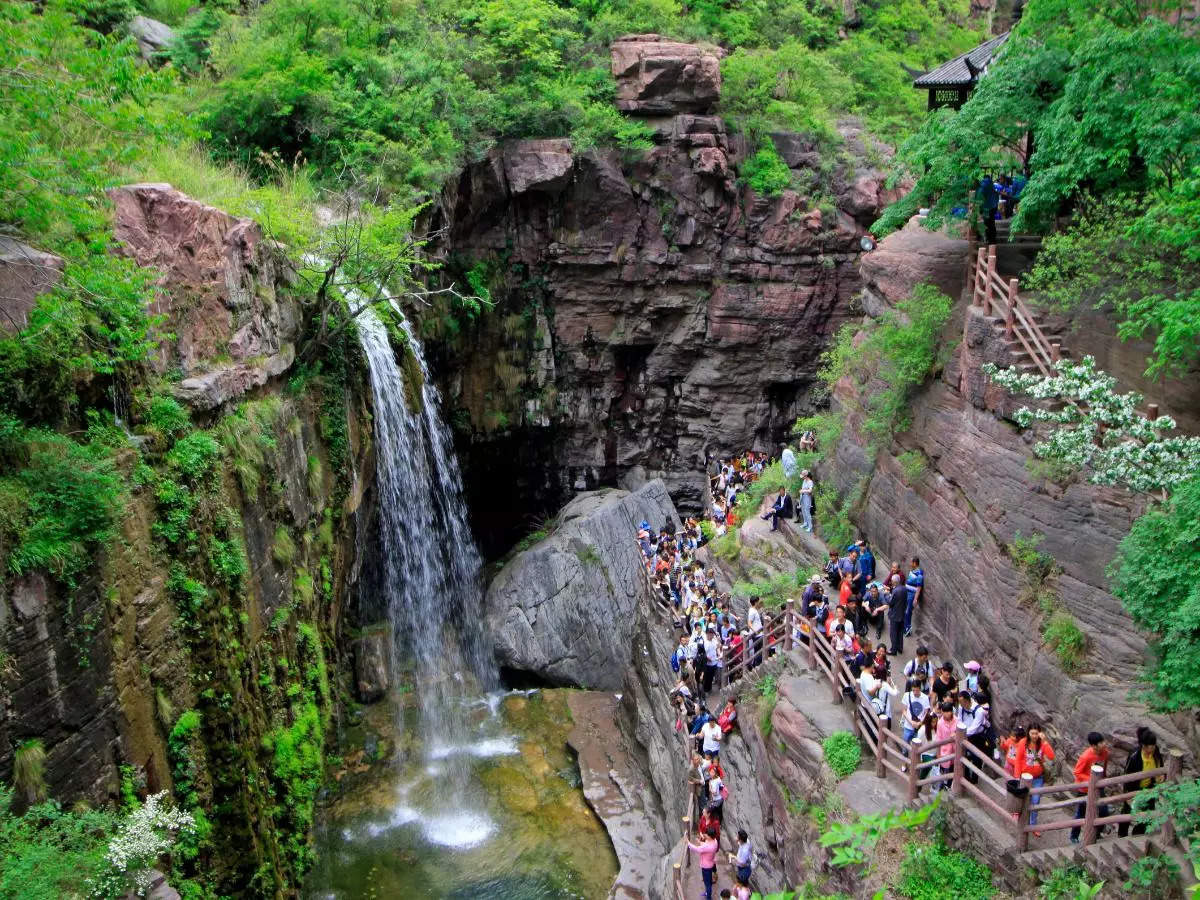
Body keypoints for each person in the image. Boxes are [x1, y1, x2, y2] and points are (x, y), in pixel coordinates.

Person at [1118, 727, 1165, 837]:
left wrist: (1162, 776)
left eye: (1154, 745)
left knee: (1148, 812)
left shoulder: (1156, 751)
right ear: (1143, 745)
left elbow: (1160, 765)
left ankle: (1138, 833)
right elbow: (1127, 777)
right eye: (1151, 746)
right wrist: (1128, 796)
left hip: (1150, 787)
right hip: (1134, 788)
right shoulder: (1134, 757)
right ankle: (1122, 834)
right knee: (1127, 811)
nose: (1153, 748)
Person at [1069, 732, 1111, 843]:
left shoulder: (1105, 753)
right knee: (1081, 814)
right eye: (1101, 743)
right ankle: (1074, 836)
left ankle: (1096, 834)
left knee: (1104, 811)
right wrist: (1092, 780)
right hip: (1084, 790)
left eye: (1103, 741)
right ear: (1093, 745)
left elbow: (1104, 767)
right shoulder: (1086, 757)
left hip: (1098, 787)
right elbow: (1077, 772)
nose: (1104, 744)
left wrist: (1103, 779)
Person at [1015, 724, 1055, 831]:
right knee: (1021, 797)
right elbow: (1018, 760)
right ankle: (1017, 814)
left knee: (1036, 800)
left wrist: (1045, 742)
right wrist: (1017, 776)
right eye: (1032, 733)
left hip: (1038, 777)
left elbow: (1051, 756)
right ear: (1028, 733)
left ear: (1040, 733)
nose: (1034, 736)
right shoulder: (1023, 742)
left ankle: (1033, 824)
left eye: (1036, 733)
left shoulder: (1042, 743)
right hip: (1024, 776)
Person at [688, 824, 720, 900]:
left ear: (709, 836)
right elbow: (706, 845)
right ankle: (707, 893)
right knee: (707, 882)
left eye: (706, 834)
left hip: (706, 866)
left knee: (707, 883)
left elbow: (697, 849)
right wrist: (700, 842)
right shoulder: (715, 841)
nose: (705, 835)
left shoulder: (707, 846)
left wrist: (688, 842)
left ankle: (708, 897)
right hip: (710, 863)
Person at [901, 678, 931, 744]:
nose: (915, 693)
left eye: (917, 691)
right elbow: (904, 711)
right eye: (913, 690)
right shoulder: (907, 695)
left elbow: (926, 713)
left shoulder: (925, 698)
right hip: (908, 725)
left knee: (917, 745)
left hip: (919, 727)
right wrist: (911, 722)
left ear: (920, 688)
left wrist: (920, 723)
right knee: (905, 744)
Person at [887, 575, 907, 656]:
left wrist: (887, 594)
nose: (891, 582)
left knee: (893, 633)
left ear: (894, 582)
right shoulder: (904, 589)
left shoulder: (895, 591)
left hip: (894, 616)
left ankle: (893, 650)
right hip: (902, 614)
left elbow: (890, 602)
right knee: (900, 632)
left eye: (892, 581)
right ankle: (900, 648)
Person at [904, 557, 924, 636]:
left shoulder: (919, 575)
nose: (910, 563)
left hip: (912, 595)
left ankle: (907, 629)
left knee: (908, 612)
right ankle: (905, 627)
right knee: (905, 611)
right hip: (907, 592)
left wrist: (915, 599)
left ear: (915, 563)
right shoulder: (912, 570)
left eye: (911, 562)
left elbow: (919, 588)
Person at [747, 598, 764, 668]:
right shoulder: (752, 611)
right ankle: (757, 666)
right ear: (755, 602)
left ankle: (756, 665)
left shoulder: (754, 610)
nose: (759, 602)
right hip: (757, 635)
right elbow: (749, 623)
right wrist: (755, 631)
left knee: (758, 651)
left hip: (759, 634)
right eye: (758, 601)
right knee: (758, 652)